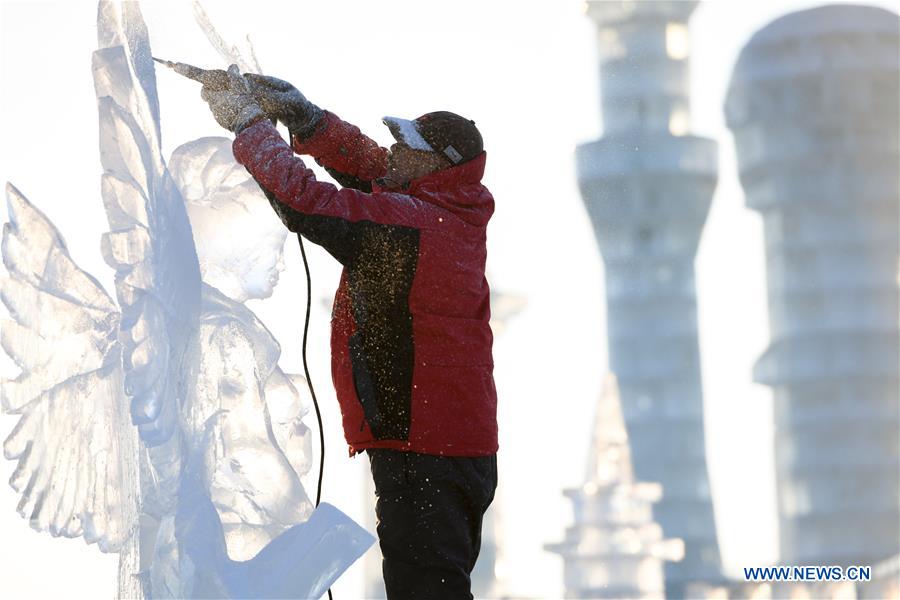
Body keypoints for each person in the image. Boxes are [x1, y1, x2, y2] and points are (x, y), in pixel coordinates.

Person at [199, 65, 498, 599]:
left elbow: (306, 202)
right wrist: (306, 119)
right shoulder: (450, 210)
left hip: (424, 450)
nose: (392, 152)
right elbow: (372, 170)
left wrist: (250, 128)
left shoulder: (408, 225)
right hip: (451, 446)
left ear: (434, 163)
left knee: (424, 592)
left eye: (406, 146)